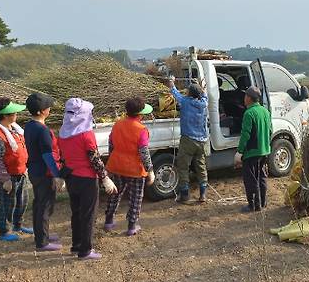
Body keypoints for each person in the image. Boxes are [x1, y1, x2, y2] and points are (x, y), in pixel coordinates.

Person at [58, 98, 117, 260]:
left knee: (76, 213)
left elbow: (63, 157)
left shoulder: (63, 132)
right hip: (86, 180)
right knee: (88, 214)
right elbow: (95, 159)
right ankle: (85, 250)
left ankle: (76, 245)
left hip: (71, 178)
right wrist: (105, 179)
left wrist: (61, 177)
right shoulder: (86, 135)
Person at [104, 97, 156, 235]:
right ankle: (132, 226)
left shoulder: (117, 124)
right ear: (140, 114)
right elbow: (144, 152)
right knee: (136, 197)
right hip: (135, 170)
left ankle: (109, 221)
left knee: (115, 194)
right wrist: (150, 170)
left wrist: (113, 159)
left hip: (116, 166)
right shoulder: (141, 130)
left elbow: (111, 144)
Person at [0, 98, 33, 241]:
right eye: (13, 112)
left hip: (20, 173)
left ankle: (18, 225)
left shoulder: (14, 129)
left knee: (22, 201)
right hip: (8, 176)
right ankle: (4, 231)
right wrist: (5, 179)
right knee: (7, 204)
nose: (16, 114)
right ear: (6, 115)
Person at [24, 92, 65, 252]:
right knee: (45, 206)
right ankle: (42, 242)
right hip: (44, 172)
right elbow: (48, 155)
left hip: (35, 170)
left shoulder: (29, 126)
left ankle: (42, 235)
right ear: (41, 111)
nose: (49, 109)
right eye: (47, 107)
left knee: (39, 204)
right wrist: (57, 175)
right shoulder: (42, 131)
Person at [167, 75, 210, 203]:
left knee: (183, 166)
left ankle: (185, 195)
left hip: (188, 140)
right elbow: (204, 94)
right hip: (202, 140)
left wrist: (172, 83)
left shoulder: (185, 102)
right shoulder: (204, 103)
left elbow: (175, 93)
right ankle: (203, 195)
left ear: (189, 94)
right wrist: (199, 85)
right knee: (201, 166)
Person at [234, 86, 272, 212]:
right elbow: (270, 131)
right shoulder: (265, 111)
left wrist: (239, 152)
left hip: (252, 152)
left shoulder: (249, 113)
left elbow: (246, 134)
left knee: (251, 179)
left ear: (249, 98)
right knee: (261, 176)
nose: (244, 98)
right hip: (264, 150)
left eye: (245, 96)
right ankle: (262, 202)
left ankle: (254, 205)